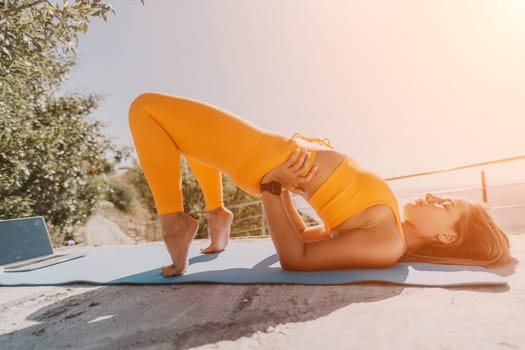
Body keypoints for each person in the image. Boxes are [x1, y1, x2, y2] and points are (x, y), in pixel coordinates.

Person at [128, 92, 510, 277]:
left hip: (264, 160)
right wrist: (283, 188)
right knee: (188, 140)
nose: (433, 196)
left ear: (447, 238)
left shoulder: (387, 244)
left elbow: (296, 258)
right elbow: (303, 237)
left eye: (446, 206)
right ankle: (217, 214)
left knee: (144, 109)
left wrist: (273, 186)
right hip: (269, 163)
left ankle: (173, 222)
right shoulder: (390, 227)